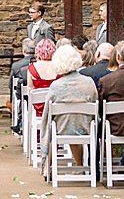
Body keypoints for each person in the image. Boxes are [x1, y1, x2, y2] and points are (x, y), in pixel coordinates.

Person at [39, 44, 98, 173]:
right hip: (85, 126)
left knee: (52, 126)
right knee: (74, 121)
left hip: (61, 128)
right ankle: (80, 165)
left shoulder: (56, 86)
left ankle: (46, 167)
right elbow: (95, 102)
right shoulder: (88, 82)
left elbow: (48, 112)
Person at [26, 38, 59, 119]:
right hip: (55, 110)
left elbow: (30, 89)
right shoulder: (59, 67)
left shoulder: (32, 68)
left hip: (38, 110)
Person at [9, 37, 36, 134]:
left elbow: (11, 84)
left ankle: (20, 122)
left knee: (23, 96)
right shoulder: (39, 63)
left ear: (24, 50)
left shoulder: (16, 65)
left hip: (26, 97)